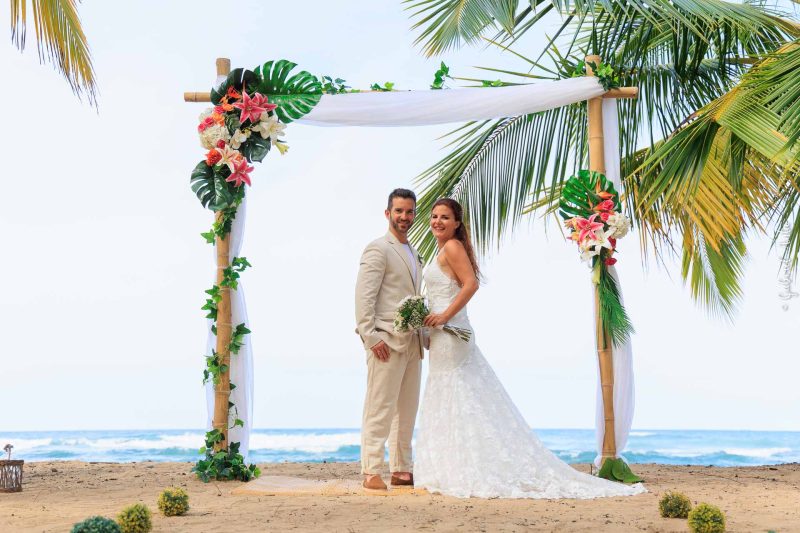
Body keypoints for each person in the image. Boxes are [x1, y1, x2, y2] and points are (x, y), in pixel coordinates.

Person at [413, 198, 645, 499]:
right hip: (442, 334)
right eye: (434, 216)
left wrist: (444, 316)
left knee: (457, 392)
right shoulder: (441, 250)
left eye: (445, 217)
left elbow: (470, 284)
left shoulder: (453, 247)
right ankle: (451, 464)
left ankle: (459, 467)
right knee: (453, 394)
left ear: (457, 223)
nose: (437, 222)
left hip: (452, 330)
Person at [354, 188, 425, 491]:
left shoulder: (415, 252)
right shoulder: (377, 249)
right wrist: (370, 336)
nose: (404, 217)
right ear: (387, 213)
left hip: (412, 343)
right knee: (380, 407)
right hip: (385, 340)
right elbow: (364, 297)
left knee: (407, 410)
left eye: (409, 212)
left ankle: (401, 469)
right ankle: (371, 469)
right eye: (399, 211)